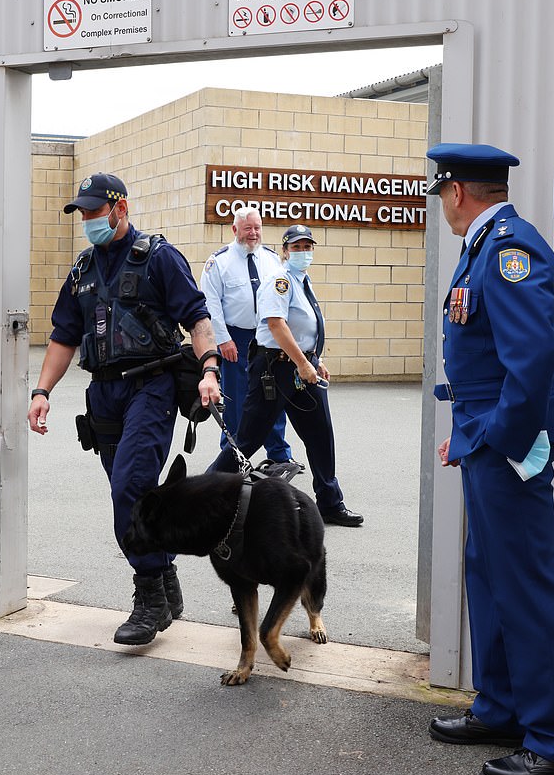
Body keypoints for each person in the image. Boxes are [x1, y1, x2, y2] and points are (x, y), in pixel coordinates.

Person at [426, 144, 554, 775]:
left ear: (457, 191)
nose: (443, 204)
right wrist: (468, 433)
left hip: (508, 443)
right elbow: (487, 363)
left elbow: (532, 359)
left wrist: (502, 440)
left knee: (523, 585)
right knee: (490, 575)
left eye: (442, 193)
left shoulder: (509, 249)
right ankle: (502, 708)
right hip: (485, 435)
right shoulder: (484, 246)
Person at [27, 173, 221, 646]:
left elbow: (197, 319)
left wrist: (210, 369)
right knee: (133, 491)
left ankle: (149, 596)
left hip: (151, 387)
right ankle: (165, 575)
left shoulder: (159, 258)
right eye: (83, 213)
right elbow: (63, 337)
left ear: (121, 208)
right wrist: (42, 391)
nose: (88, 220)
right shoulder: (82, 270)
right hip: (104, 394)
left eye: (95, 211)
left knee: (129, 487)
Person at [208, 224, 363, 527]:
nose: (303, 252)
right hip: (275, 369)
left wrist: (315, 360)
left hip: (302, 368)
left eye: (307, 247)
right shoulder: (280, 281)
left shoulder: (302, 280)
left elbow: (303, 327)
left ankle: (330, 503)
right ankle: (204, 494)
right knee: (248, 438)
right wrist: (303, 363)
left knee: (320, 435)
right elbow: (276, 325)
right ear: (285, 251)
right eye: (296, 247)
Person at [200, 207, 300, 467]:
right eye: (248, 228)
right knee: (236, 401)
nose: (253, 233)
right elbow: (211, 305)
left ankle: (279, 454)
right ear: (235, 229)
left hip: (268, 337)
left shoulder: (272, 259)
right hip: (236, 338)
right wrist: (223, 339)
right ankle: (232, 457)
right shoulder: (219, 262)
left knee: (273, 395)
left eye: (257, 228)